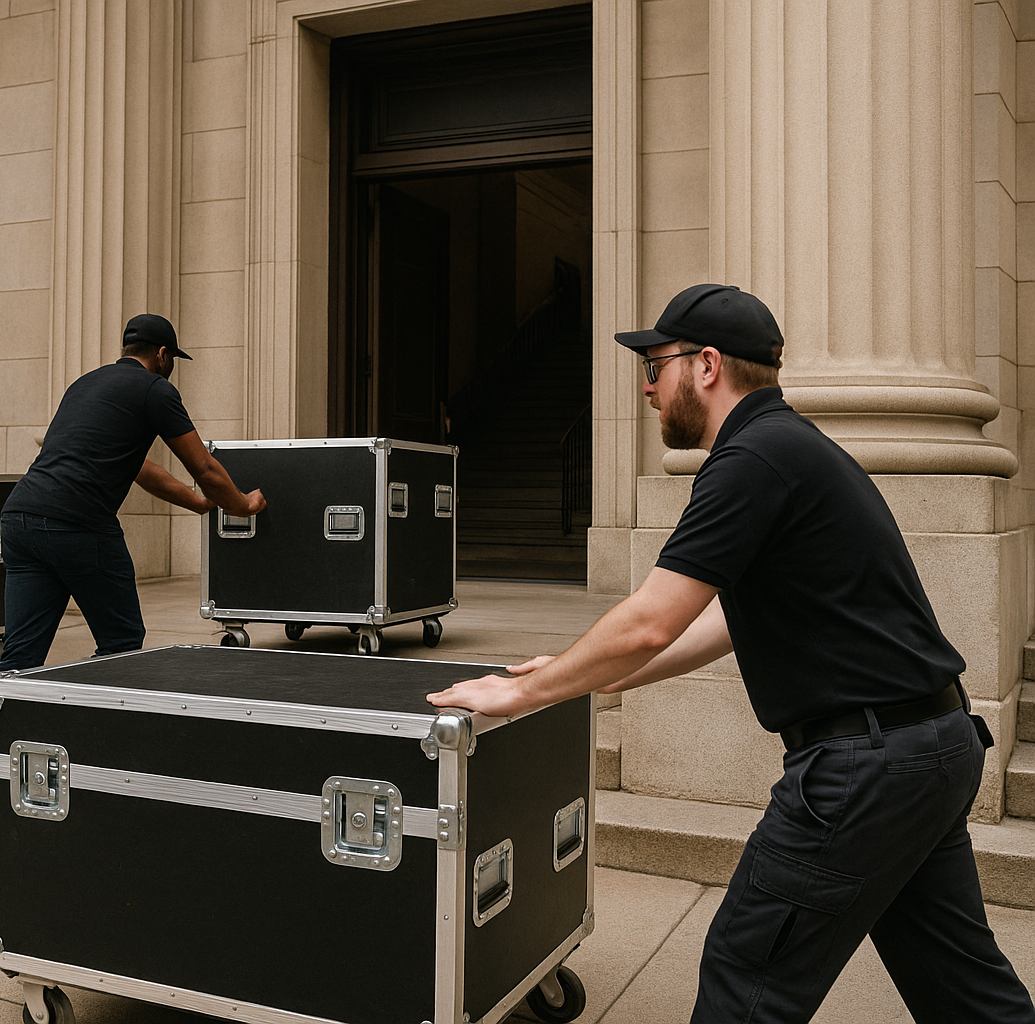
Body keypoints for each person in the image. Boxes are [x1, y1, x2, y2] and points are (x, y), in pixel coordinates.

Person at [427, 284, 1035, 1023]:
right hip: (929, 749)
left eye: (656, 367)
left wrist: (524, 694)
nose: (649, 389)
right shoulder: (791, 447)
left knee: (747, 978)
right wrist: (576, 680)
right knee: (965, 990)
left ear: (707, 364)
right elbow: (717, 624)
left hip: (865, 768)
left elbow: (651, 618)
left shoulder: (749, 459)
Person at [0, 313, 265, 845]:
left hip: (20, 517)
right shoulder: (155, 389)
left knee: (16, 661)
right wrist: (241, 504)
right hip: (78, 524)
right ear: (161, 354)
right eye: (172, 363)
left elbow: (139, 468)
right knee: (122, 644)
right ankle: (87, 760)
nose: (171, 371)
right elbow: (205, 466)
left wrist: (198, 506)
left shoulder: (86, 384)